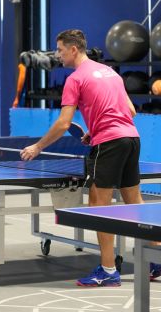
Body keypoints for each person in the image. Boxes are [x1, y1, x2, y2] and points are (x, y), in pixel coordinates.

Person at [20, 29, 161, 286]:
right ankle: (158, 261)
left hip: (109, 144)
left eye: (60, 51)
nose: (58, 56)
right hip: (131, 139)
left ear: (74, 49)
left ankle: (107, 271)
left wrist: (38, 147)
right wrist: (97, 130)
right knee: (135, 202)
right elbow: (130, 110)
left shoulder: (75, 79)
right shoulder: (110, 72)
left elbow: (63, 124)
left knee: (99, 206)